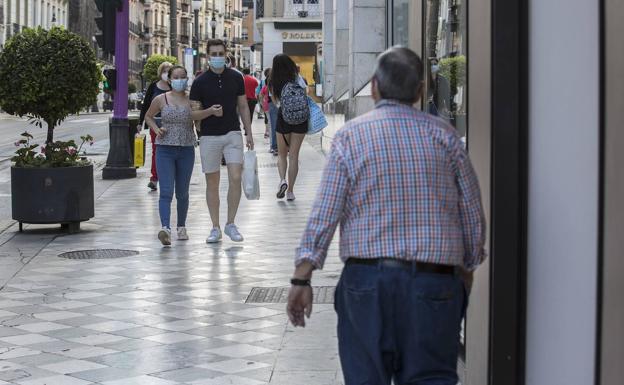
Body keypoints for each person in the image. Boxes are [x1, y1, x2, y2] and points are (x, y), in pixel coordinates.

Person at [286, 47, 487, 385]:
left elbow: (325, 212)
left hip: (367, 284)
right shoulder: (446, 137)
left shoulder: (351, 137)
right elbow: (472, 214)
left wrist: (302, 277)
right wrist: (463, 270)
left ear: (375, 87)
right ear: (421, 90)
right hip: (434, 282)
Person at [144, 65, 218, 246]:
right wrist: (156, 129)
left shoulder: (192, 99)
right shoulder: (161, 99)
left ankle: (181, 226)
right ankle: (165, 228)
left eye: (183, 76)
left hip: (186, 149)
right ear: (169, 80)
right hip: (164, 149)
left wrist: (207, 115)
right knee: (166, 191)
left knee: (183, 192)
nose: (180, 80)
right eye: (176, 77)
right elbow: (148, 117)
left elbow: (199, 120)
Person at [190, 39, 254, 244]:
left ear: (226, 55)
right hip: (208, 136)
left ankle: (231, 223)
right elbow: (193, 114)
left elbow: (243, 106)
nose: (217, 57)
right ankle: (215, 227)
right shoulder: (199, 82)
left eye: (220, 54)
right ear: (207, 56)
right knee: (213, 182)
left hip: (232, 133)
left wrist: (249, 132)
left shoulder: (236, 77)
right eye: (213, 54)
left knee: (236, 176)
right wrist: (210, 112)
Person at [269, 54, 309, 201]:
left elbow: (275, 101)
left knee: (282, 154)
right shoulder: (298, 78)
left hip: (283, 118)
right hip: (301, 119)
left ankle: (282, 180)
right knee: (294, 156)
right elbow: (305, 95)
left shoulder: (273, 81)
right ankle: (291, 191)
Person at [139, 61, 173, 191]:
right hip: (155, 123)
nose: (166, 74)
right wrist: (140, 122)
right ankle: (154, 178)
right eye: (164, 71)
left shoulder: (173, 87)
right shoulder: (153, 86)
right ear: (160, 72)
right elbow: (146, 105)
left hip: (171, 124)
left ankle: (168, 176)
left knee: (169, 151)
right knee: (156, 151)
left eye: (168, 71)